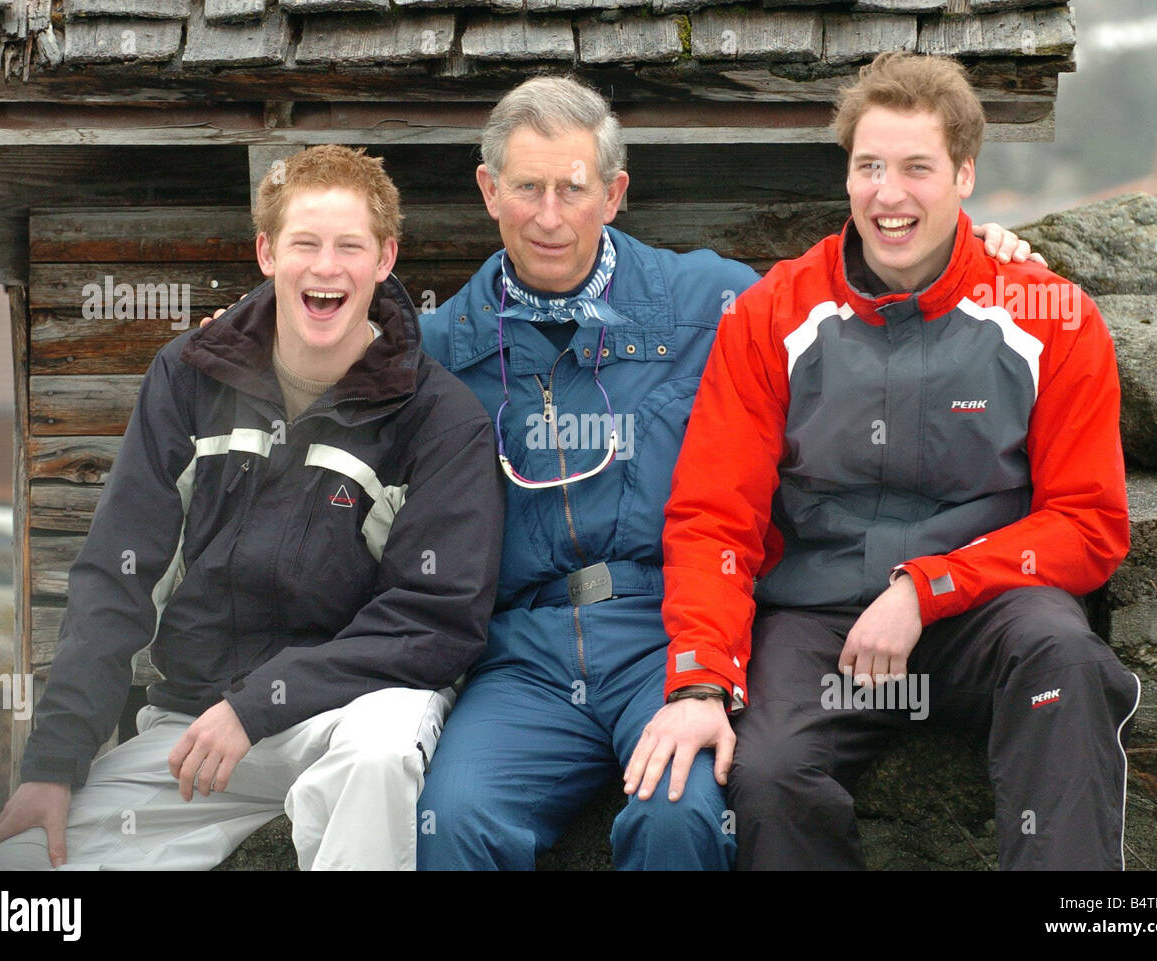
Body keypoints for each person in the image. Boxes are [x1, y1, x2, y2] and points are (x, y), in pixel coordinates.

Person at [412, 75, 1038, 870]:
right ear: (488, 190)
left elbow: (864, 289)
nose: (548, 215)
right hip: (525, 654)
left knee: (679, 815)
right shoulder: (438, 346)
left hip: (667, 626)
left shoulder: (712, 300)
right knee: (452, 817)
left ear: (614, 193)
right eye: (526, 188)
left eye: (573, 188)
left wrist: (989, 255)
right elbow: (322, 360)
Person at [628, 52, 1142, 870]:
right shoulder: (772, 314)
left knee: (1068, 665)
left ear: (965, 174)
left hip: (986, 609)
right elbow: (714, 516)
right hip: (818, 616)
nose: (888, 193)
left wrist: (929, 585)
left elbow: (1088, 524)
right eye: (869, 166)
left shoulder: (1051, 317)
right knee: (764, 773)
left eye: (916, 168)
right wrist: (701, 677)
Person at [0, 145, 503, 871]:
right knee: (15, 870)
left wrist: (261, 706)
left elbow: (438, 617)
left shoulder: (442, 417)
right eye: (304, 243)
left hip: (350, 716)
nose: (325, 266)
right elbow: (116, 578)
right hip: (195, 723)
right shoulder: (187, 376)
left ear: (385, 258)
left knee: (379, 756)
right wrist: (52, 765)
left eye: (350, 246)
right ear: (265, 253)